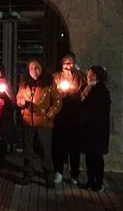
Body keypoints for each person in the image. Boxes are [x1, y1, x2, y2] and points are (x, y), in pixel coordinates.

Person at [15, 59, 62, 188]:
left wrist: (49, 114)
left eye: (36, 68)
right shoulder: (25, 83)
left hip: (44, 123)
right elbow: (19, 96)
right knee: (28, 149)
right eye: (31, 68)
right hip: (28, 122)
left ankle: (48, 175)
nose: (33, 71)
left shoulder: (49, 83)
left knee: (45, 150)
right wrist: (21, 102)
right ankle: (28, 174)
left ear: (42, 69)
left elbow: (57, 102)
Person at [52, 53, 86, 185]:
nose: (67, 65)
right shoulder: (56, 77)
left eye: (70, 63)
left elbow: (85, 93)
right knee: (59, 146)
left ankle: (74, 174)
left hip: (75, 116)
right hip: (60, 115)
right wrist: (59, 94)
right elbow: (51, 93)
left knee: (74, 148)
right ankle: (59, 172)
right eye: (65, 63)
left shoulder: (79, 76)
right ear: (61, 63)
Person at [79, 66, 111, 192]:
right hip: (88, 128)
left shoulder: (102, 91)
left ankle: (99, 181)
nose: (89, 77)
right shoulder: (87, 88)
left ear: (98, 76)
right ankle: (90, 180)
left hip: (98, 129)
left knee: (97, 156)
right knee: (89, 156)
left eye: (91, 75)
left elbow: (101, 110)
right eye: (88, 74)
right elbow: (81, 103)